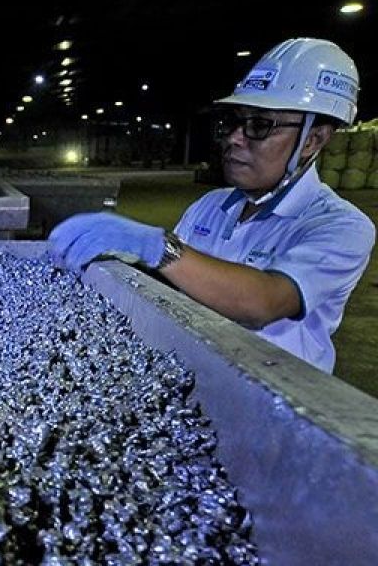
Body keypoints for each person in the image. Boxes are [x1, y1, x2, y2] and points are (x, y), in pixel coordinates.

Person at [49, 37, 374, 373]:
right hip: (197, 378)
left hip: (279, 398)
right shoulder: (210, 206)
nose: (234, 138)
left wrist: (158, 247)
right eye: (234, 122)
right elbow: (174, 284)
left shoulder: (341, 226)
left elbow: (263, 302)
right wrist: (126, 259)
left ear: (312, 140)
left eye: (260, 125)